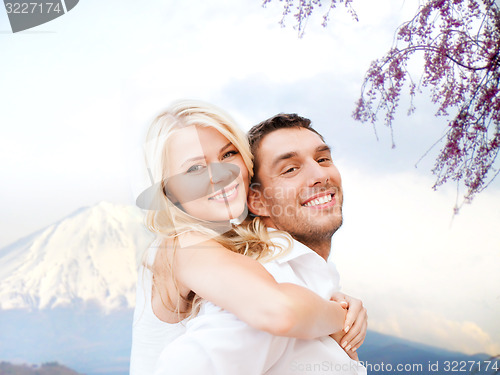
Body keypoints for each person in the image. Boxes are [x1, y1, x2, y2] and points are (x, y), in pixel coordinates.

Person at [130, 101, 366, 375]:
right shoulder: (180, 245)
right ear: (169, 192)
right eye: (194, 169)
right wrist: (342, 316)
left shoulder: (237, 249)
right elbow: (279, 310)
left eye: (229, 154)